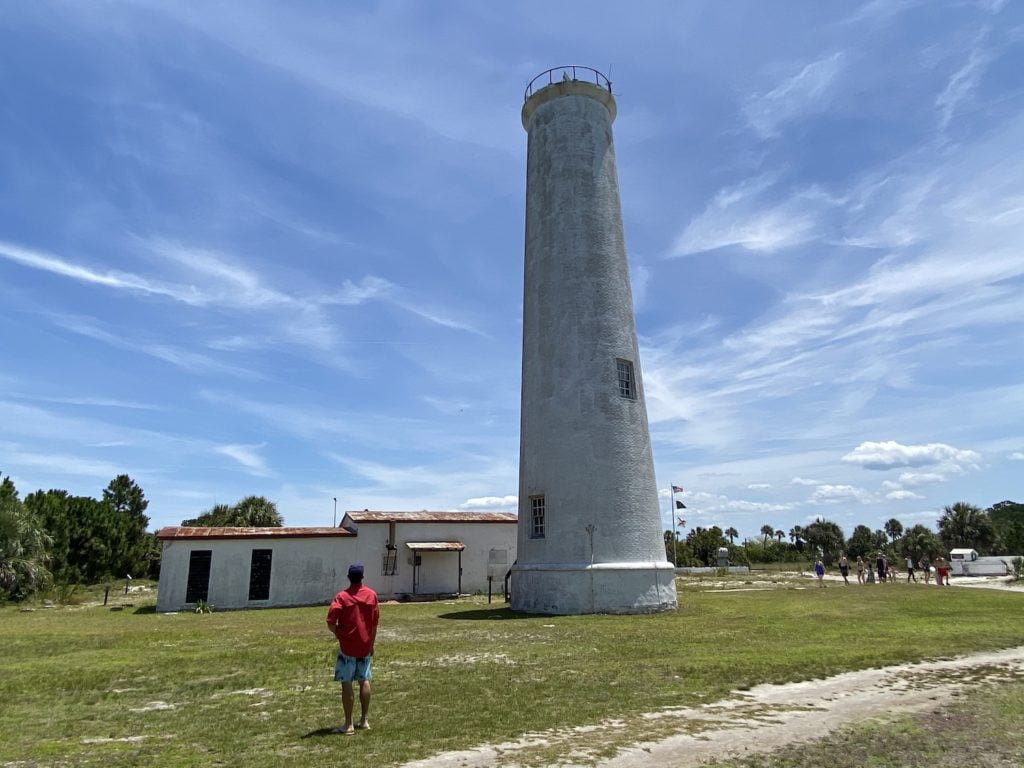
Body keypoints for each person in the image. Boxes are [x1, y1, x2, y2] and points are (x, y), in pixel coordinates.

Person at [326, 562, 380, 734]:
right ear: (362, 577)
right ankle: (364, 720)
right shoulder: (371, 595)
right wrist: (371, 643)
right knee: (364, 679)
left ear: (349, 577)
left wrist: (339, 634)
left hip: (347, 646)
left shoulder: (342, 597)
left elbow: (330, 621)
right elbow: (374, 623)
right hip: (364, 645)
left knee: (346, 682)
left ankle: (348, 724)